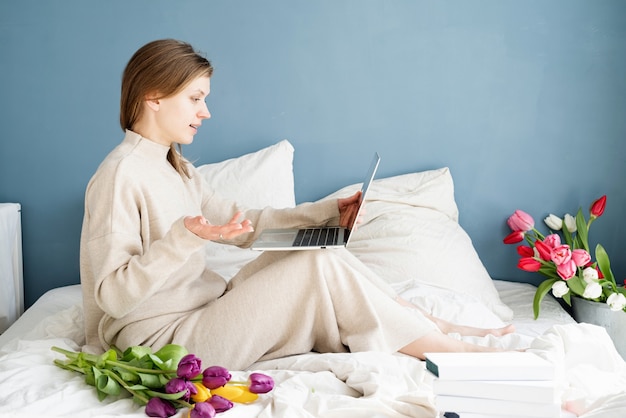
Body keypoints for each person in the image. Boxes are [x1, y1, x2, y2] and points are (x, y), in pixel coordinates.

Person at [80, 39, 513, 371]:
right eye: (195, 98)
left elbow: (244, 222)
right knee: (315, 269)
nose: (205, 112)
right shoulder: (119, 176)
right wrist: (182, 240)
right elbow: (112, 297)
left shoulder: (179, 168)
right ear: (154, 96)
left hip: (204, 309)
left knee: (318, 250)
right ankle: (451, 351)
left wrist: (326, 215)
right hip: (163, 342)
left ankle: (426, 324)